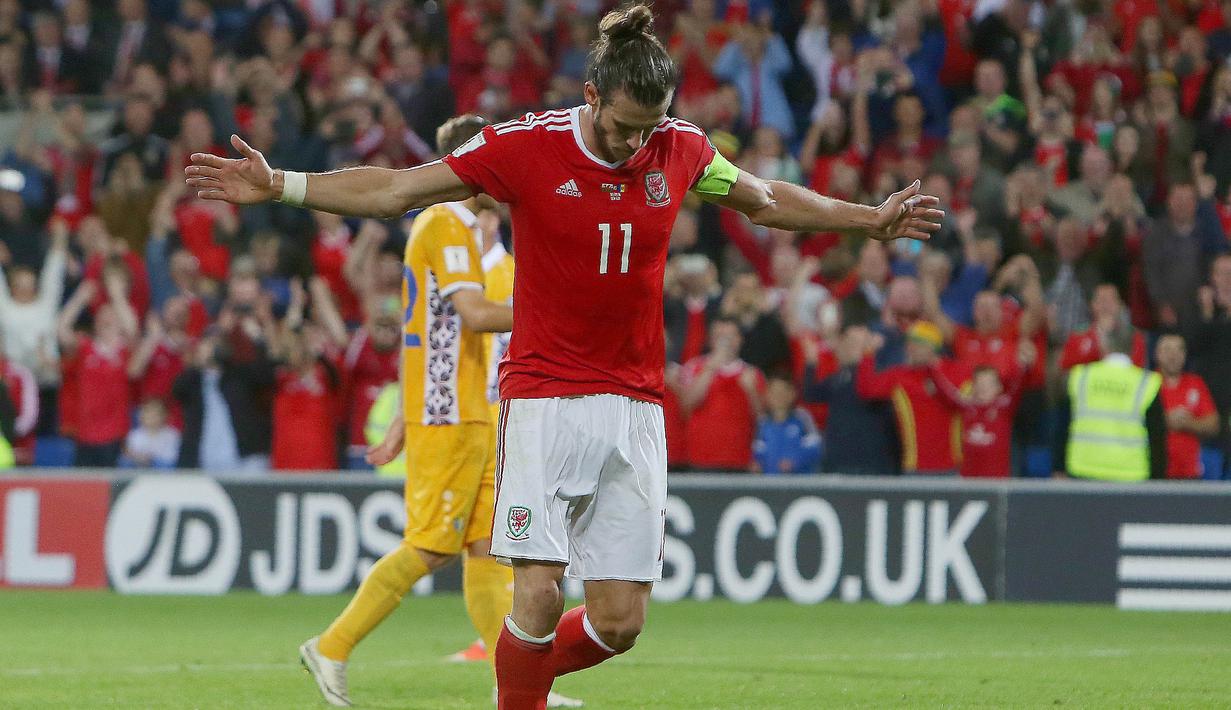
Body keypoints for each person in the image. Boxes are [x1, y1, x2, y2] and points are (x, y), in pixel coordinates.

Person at [185, 7, 943, 707]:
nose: (633, 144)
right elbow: (395, 191)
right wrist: (282, 184)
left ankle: (516, 683)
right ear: (590, 96)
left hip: (635, 402)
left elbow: (766, 200)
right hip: (544, 396)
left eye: (647, 129)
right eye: (621, 127)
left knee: (619, 622)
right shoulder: (523, 146)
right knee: (538, 594)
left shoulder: (680, 148)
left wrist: (865, 221)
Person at [295, 115, 578, 709]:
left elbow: (423, 326)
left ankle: (517, 686)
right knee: (430, 545)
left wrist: (403, 411)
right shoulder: (443, 221)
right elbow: (472, 317)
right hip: (448, 412)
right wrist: (560, 310)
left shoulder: (469, 234)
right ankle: (332, 646)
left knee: (486, 553)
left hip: (471, 410)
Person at [855, 321, 970, 475]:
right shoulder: (900, 376)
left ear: (932, 347)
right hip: (914, 467)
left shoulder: (958, 373)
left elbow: (968, 404)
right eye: (908, 345)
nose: (909, 349)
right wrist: (868, 354)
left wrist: (934, 375)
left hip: (952, 467)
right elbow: (867, 389)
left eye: (916, 344)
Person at [1053, 329, 1167, 481]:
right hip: (1130, 475)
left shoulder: (1080, 377)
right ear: (1133, 348)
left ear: (1103, 345)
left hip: (1083, 470)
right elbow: (1157, 437)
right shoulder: (1146, 383)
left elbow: (1062, 427)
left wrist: (1058, 468)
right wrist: (1157, 478)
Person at [679, 317, 765, 472]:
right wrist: (710, 369)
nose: (725, 343)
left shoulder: (752, 373)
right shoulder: (695, 367)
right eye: (719, 337)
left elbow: (762, 418)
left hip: (739, 460)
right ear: (710, 340)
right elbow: (687, 405)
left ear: (740, 339)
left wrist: (751, 390)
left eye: (730, 337)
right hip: (701, 458)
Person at [1154, 333, 1219, 480]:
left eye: (1179, 350)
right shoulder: (1147, 383)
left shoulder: (1195, 383)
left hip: (1190, 473)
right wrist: (1165, 420)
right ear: (1157, 354)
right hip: (1156, 472)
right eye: (1167, 350)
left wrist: (1188, 423)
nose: (1173, 355)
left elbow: (1213, 424)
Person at [752, 374, 821, 474]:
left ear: (792, 394)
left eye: (783, 392)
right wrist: (757, 463)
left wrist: (794, 462)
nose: (778, 397)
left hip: (800, 484)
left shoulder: (802, 418)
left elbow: (815, 448)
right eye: (774, 392)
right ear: (767, 395)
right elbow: (758, 450)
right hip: (770, 483)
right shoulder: (762, 423)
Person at [120, 398, 180, 469]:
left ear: (165, 415)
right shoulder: (134, 435)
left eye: (155, 414)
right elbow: (128, 456)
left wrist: (150, 460)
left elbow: (171, 460)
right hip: (137, 471)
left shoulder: (172, 435)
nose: (151, 416)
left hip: (162, 474)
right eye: (147, 412)